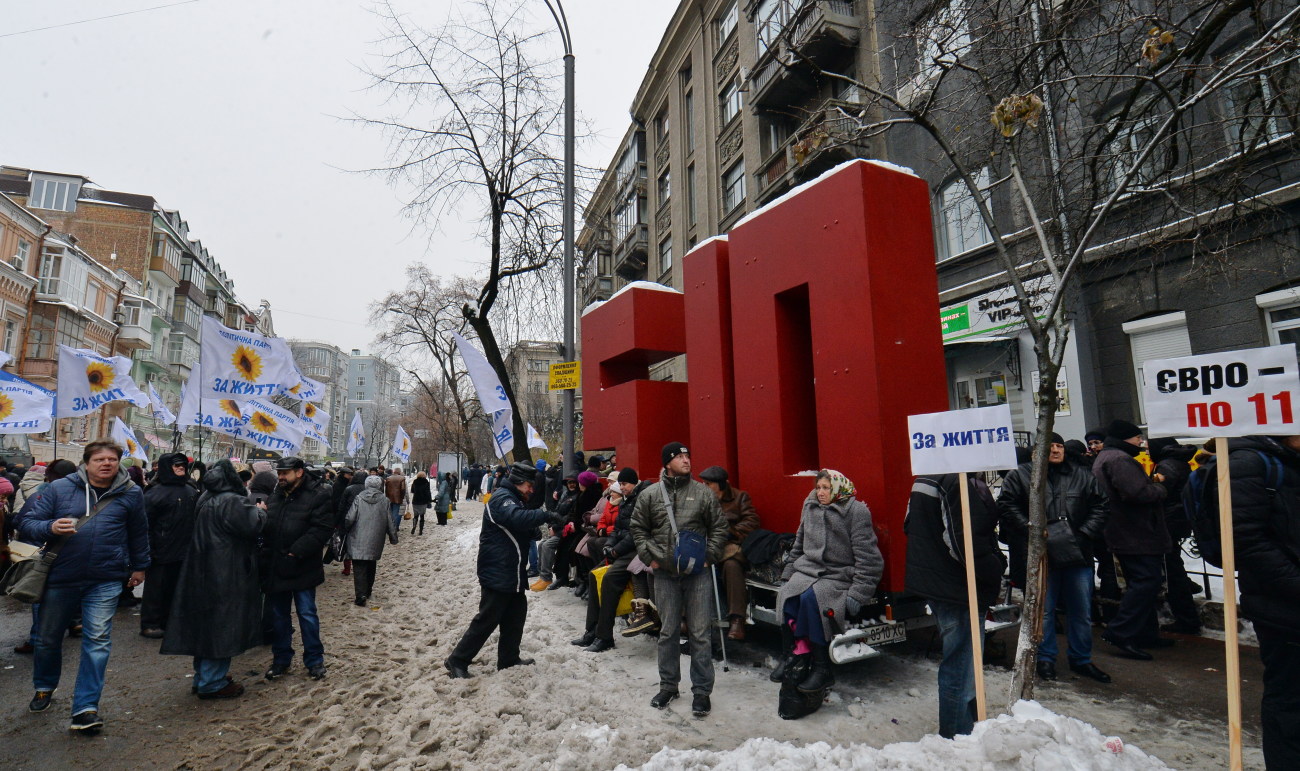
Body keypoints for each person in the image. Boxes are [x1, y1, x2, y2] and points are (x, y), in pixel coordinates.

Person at [20, 440, 149, 733]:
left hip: (104, 579)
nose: (107, 464)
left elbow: (139, 532)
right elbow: (26, 522)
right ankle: (44, 686)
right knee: (47, 639)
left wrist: (140, 566)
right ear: (86, 463)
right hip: (59, 577)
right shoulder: (58, 489)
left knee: (98, 641)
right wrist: (50, 527)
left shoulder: (131, 493)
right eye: (100, 459)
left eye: (112, 460)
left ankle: (85, 708)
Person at [998, 433, 1111, 683]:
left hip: (1077, 554)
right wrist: (1032, 530)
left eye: (1060, 445)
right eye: (1050, 446)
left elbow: (1101, 505)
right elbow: (1006, 505)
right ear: (1035, 452)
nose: (1057, 450)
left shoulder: (1081, 475)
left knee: (1080, 611)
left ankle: (1081, 659)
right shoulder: (1021, 475)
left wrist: (1083, 534)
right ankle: (1045, 659)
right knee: (1044, 611)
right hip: (1040, 556)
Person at [631, 442, 729, 718]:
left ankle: (701, 692)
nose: (686, 460)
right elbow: (638, 528)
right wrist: (648, 555)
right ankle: (668, 686)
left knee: (700, 633)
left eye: (688, 455)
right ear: (667, 463)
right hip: (664, 573)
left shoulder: (702, 494)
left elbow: (719, 527)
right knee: (668, 632)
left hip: (697, 574)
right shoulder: (650, 495)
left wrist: (710, 555)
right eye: (679, 457)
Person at [905, 472, 1006, 738]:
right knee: (960, 669)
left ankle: (967, 726)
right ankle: (956, 737)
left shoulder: (925, 479)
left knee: (964, 665)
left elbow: (910, 525)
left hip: (940, 585)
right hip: (957, 590)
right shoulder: (955, 481)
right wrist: (995, 567)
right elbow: (964, 545)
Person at [160, 461, 267, 699]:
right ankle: (212, 681)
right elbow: (252, 525)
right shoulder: (232, 500)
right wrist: (261, 511)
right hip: (226, 570)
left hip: (202, 567)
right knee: (223, 625)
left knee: (207, 625)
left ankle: (204, 676)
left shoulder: (206, 497)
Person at [1226, 434, 1300, 769]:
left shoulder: (1285, 460)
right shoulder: (1249, 462)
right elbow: (1245, 540)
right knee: (1290, 703)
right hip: (1283, 608)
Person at [774, 470, 883, 696]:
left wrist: (858, 592)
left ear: (838, 488)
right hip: (808, 569)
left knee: (812, 599)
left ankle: (823, 668)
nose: (821, 492)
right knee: (788, 596)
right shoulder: (810, 505)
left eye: (826, 488)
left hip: (838, 574)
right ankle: (795, 656)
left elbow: (869, 558)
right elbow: (799, 542)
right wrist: (788, 572)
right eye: (818, 487)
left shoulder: (856, 511)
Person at [444, 461, 557, 678]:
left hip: (511, 572)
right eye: (529, 486)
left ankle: (508, 659)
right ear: (519, 483)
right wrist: (546, 515)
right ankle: (457, 660)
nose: (531, 490)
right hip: (498, 570)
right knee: (487, 618)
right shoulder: (502, 498)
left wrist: (532, 530)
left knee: (515, 616)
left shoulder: (513, 498)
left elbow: (519, 526)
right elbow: (515, 517)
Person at [1092, 419, 1184, 660]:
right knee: (1147, 581)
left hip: (1125, 530)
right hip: (1135, 531)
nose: (1141, 442)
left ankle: (1145, 634)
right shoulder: (1119, 459)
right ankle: (1121, 631)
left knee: (1140, 582)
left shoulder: (1107, 457)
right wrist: (1160, 487)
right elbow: (1137, 493)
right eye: (1136, 438)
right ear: (1125, 438)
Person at [261, 456, 334, 681]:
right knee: (279, 617)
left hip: (303, 566)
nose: (281, 476)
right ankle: (281, 659)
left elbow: (321, 529)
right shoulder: (275, 495)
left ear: (299, 472)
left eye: (285, 473)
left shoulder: (319, 494)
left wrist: (295, 552)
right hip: (276, 567)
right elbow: (270, 526)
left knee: (307, 614)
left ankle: (314, 660)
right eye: (279, 472)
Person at [572, 467, 638, 653]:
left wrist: (615, 550)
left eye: (624, 484)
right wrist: (610, 545)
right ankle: (591, 631)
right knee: (594, 575)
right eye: (620, 484)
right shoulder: (624, 501)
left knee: (608, 580)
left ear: (634, 483)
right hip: (621, 549)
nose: (621, 487)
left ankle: (604, 636)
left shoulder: (639, 501)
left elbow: (636, 533)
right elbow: (617, 529)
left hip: (634, 551)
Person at [140, 453, 199, 639]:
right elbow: (145, 525)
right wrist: (149, 549)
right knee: (156, 590)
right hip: (160, 550)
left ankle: (169, 621)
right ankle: (150, 623)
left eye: (183, 465)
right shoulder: (154, 492)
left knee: (176, 589)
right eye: (176, 465)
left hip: (184, 550)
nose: (181, 468)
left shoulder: (191, 490)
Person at [698, 465, 760, 641]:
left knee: (732, 566)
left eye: (708, 484)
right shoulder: (702, 500)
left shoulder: (740, 497)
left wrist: (730, 531)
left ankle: (737, 620)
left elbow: (752, 521)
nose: (705, 487)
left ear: (720, 485)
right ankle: (686, 618)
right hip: (707, 546)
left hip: (729, 546)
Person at [1148, 437, 1201, 635]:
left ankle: (1187, 619)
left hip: (1168, 522)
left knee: (1172, 571)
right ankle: (1187, 614)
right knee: (1173, 567)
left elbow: (1160, 491)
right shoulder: (1178, 462)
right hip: (1177, 520)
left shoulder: (1166, 465)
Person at [344, 475, 399, 605]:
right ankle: (368, 590)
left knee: (359, 568)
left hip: (357, 537)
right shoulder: (384, 500)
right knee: (371, 564)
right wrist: (393, 537)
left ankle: (360, 595)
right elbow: (390, 521)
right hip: (376, 539)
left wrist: (346, 528)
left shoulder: (359, 498)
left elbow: (350, 518)